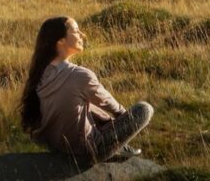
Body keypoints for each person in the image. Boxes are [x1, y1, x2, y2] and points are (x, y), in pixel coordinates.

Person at [19, 16, 154, 163]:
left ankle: (118, 146)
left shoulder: (40, 74)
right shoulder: (81, 76)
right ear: (60, 41)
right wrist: (124, 124)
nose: (82, 35)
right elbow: (114, 108)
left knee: (83, 102)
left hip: (56, 148)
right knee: (145, 110)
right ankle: (118, 147)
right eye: (76, 31)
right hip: (87, 153)